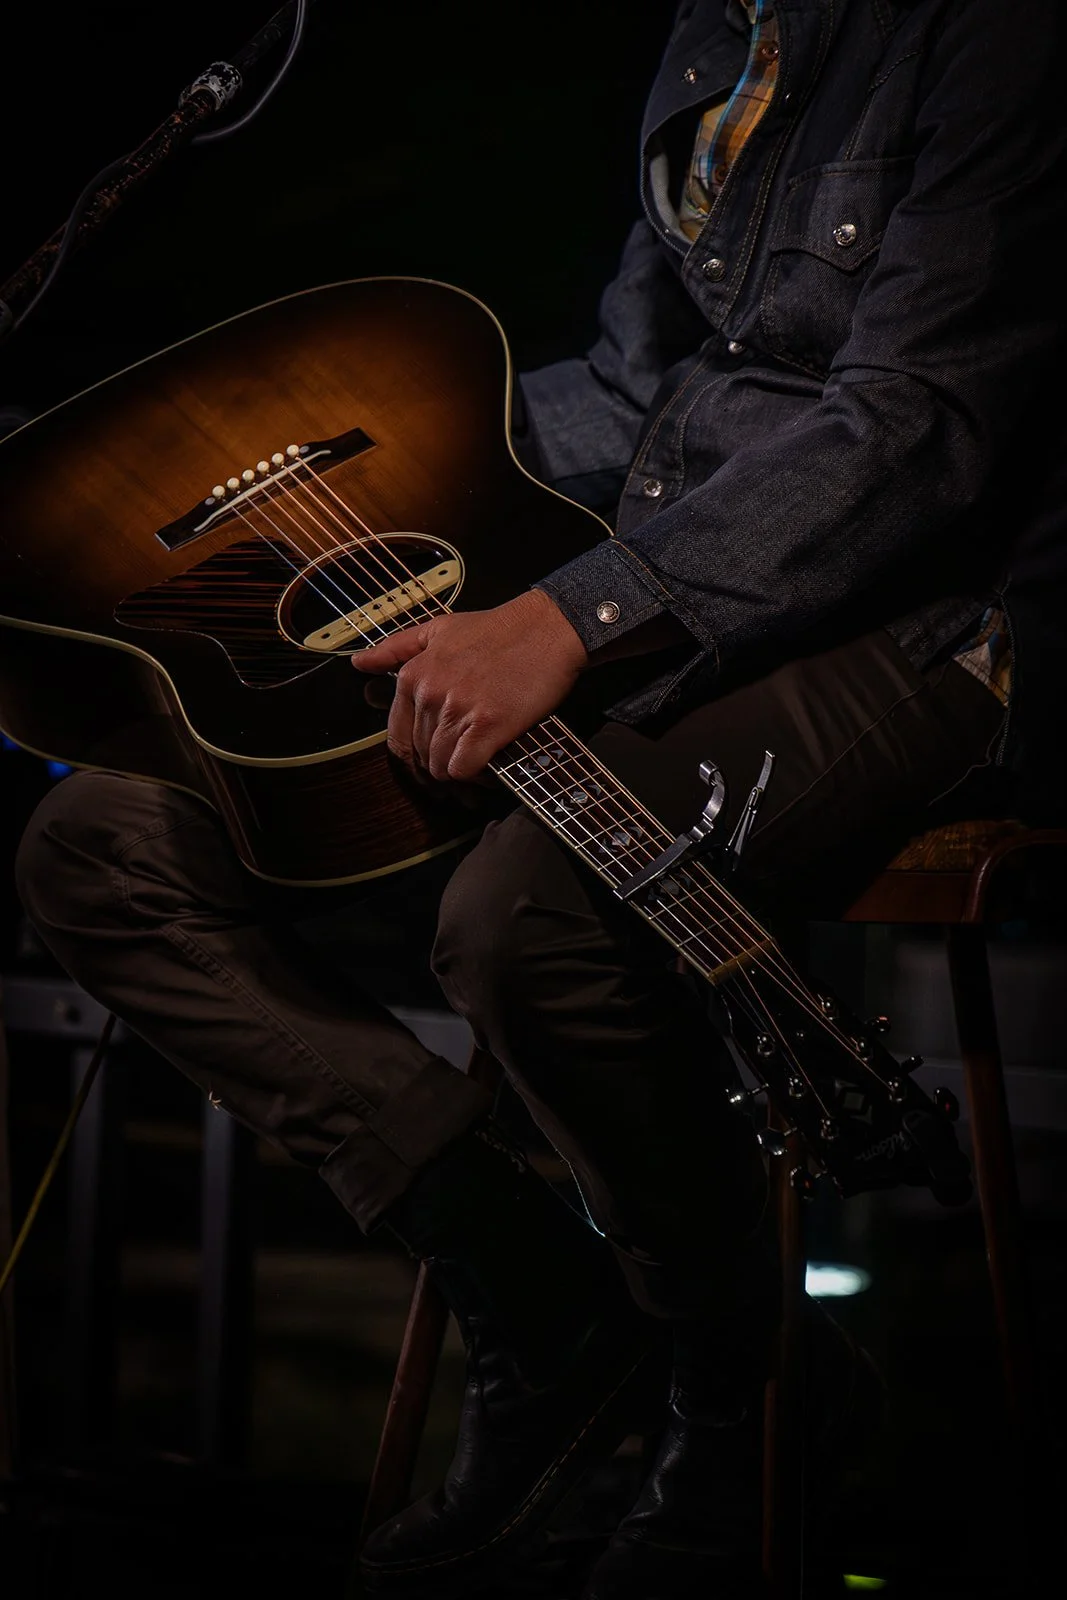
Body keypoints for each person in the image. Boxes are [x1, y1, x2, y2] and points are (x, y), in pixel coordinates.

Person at [12, 0, 1067, 1594]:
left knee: (529, 913)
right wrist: (308, 475)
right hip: (667, 566)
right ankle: (542, 1304)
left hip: (930, 616)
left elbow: (920, 425)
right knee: (99, 844)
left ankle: (745, 1389)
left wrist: (569, 618)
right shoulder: (721, 29)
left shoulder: (994, 40)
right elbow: (643, 384)